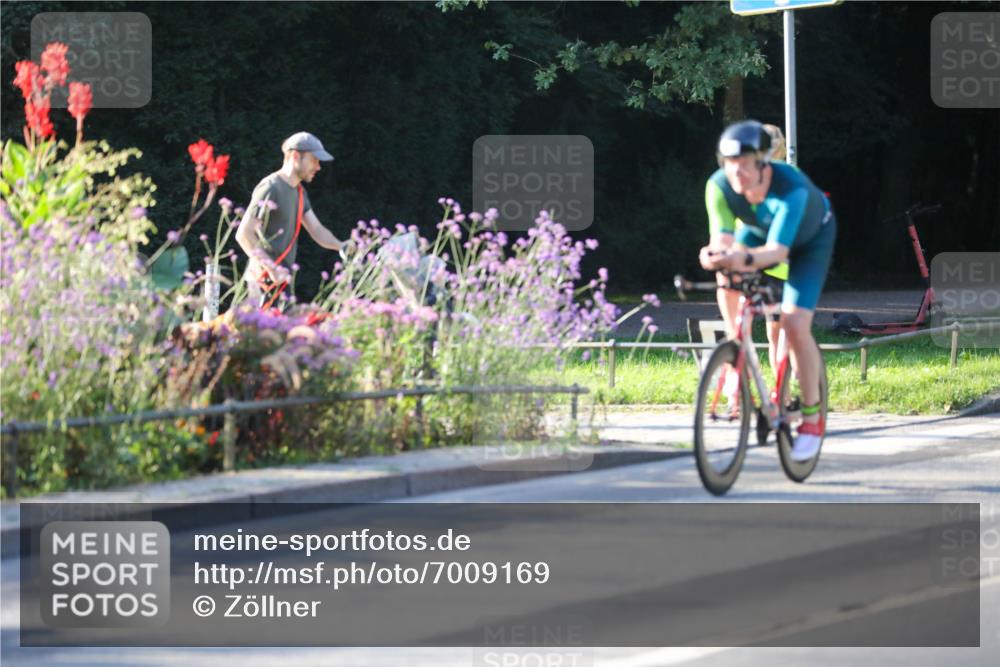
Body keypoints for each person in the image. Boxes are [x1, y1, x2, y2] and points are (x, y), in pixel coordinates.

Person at [699, 119, 837, 461]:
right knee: (726, 269)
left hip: (808, 244)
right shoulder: (718, 186)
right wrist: (715, 255)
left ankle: (811, 418)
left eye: (745, 166)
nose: (737, 175)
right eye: (731, 166)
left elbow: (777, 252)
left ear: (764, 164)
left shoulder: (793, 188)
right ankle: (737, 350)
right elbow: (723, 240)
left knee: (793, 324)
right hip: (759, 233)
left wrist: (741, 256)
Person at [236, 132, 347, 307]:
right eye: (314, 160)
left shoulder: (299, 192)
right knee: (256, 335)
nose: (318, 167)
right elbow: (244, 234)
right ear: (295, 156)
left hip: (281, 280)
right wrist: (271, 267)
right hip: (262, 281)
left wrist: (341, 246)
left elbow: (317, 230)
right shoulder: (271, 187)